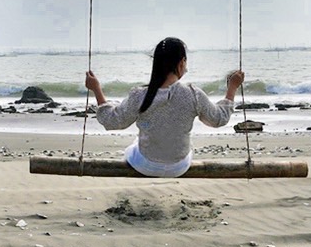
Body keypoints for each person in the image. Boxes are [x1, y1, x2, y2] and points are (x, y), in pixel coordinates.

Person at [84, 37, 243, 177]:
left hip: (146, 165)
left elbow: (112, 121)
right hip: (179, 166)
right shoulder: (194, 94)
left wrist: (96, 89)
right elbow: (218, 119)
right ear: (181, 63)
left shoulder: (140, 95)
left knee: (135, 144)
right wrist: (232, 87)